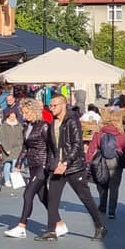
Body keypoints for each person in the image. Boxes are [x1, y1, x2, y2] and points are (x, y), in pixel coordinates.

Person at [40, 95, 106, 241]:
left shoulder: (72, 121)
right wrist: (50, 164)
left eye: (54, 105)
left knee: (85, 197)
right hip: (57, 166)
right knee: (52, 199)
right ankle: (51, 231)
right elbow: (51, 147)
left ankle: (100, 226)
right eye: (50, 106)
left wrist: (66, 162)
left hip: (73, 167)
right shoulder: (52, 123)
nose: (51, 108)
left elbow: (77, 144)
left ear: (63, 105)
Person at [3, 99, 52, 239]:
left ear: (34, 111)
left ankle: (21, 226)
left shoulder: (44, 126)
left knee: (28, 194)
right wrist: (18, 164)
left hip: (42, 164)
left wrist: (50, 166)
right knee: (43, 197)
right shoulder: (27, 127)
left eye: (27, 113)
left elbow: (51, 147)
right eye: (23, 113)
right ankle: (59, 223)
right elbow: (25, 147)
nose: (24, 116)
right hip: (32, 164)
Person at [86, 108, 125, 218]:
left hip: (101, 160)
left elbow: (91, 149)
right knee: (114, 186)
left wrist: (87, 161)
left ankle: (103, 206)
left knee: (102, 183)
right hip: (116, 161)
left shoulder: (99, 133)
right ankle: (112, 211)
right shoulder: (121, 134)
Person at [0, 108, 24, 187]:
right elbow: (3, 138)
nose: (13, 118)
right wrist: (6, 149)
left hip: (17, 148)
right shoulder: (4, 126)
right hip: (7, 148)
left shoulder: (19, 125)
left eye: (14, 116)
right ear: (8, 116)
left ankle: (15, 180)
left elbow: (22, 136)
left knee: (15, 164)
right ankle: (7, 180)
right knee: (7, 164)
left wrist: (21, 145)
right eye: (11, 116)